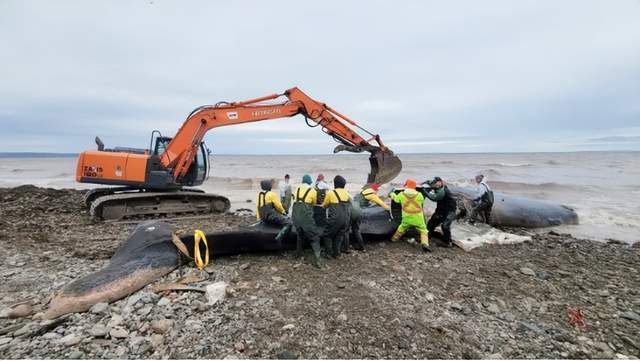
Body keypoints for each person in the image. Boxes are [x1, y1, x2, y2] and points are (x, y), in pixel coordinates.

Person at [291, 174, 325, 268]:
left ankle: (298, 253)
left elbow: (295, 200)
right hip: (306, 217)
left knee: (300, 234)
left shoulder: (296, 189)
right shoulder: (312, 190)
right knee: (314, 237)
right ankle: (318, 261)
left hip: (295, 216)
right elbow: (314, 203)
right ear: (310, 181)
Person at [389, 179, 430, 252]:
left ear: (406, 187)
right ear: (414, 187)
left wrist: (392, 193)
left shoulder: (401, 195)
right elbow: (422, 201)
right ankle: (425, 244)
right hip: (418, 219)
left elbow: (396, 200)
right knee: (424, 230)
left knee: (401, 228)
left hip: (407, 218)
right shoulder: (419, 195)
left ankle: (393, 239)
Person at [349, 183, 390, 251]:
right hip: (358, 210)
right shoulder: (372, 195)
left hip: (353, 206)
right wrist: (389, 209)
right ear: (376, 190)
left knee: (348, 228)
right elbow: (381, 203)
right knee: (356, 228)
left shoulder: (364, 191)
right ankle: (361, 245)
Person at [321, 175, 352, 258]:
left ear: (335, 184)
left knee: (327, 235)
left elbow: (324, 205)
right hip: (345, 219)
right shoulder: (347, 193)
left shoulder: (331, 193)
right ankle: (337, 254)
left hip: (335, 219)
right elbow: (350, 203)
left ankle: (328, 253)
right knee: (339, 236)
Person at [424, 176, 457, 247]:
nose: (438, 184)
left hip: (450, 211)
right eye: (436, 183)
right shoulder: (436, 186)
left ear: (441, 182)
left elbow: (434, 198)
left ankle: (448, 242)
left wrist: (425, 192)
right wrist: (426, 183)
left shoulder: (443, 190)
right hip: (441, 210)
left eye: (439, 182)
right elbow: (430, 183)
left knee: (445, 226)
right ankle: (427, 236)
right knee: (431, 223)